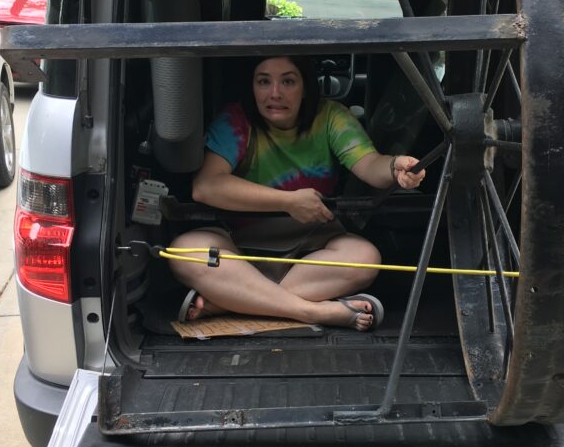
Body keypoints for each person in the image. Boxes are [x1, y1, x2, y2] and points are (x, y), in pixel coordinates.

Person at [169, 55, 426, 331]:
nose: (275, 93)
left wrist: (394, 167)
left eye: (288, 81)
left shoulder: (330, 117)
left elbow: (369, 165)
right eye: (264, 81)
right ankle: (311, 312)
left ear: (305, 87)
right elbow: (206, 186)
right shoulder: (235, 120)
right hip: (241, 249)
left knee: (365, 256)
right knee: (183, 251)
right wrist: (289, 202)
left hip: (313, 248)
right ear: (252, 86)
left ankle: (231, 301)